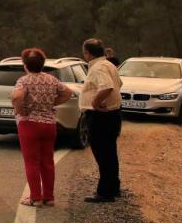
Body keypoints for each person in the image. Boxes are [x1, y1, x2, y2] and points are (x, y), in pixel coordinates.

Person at [11, 48, 72, 206]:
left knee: (32, 162)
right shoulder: (51, 79)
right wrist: (52, 103)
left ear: (25, 65)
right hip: (49, 124)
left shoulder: (24, 80)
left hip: (29, 124)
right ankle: (49, 197)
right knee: (47, 161)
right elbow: (68, 93)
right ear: (42, 63)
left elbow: (17, 96)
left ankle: (35, 197)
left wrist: (21, 110)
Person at [79, 38, 123, 203]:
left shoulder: (98, 68)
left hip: (100, 116)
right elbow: (119, 83)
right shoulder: (109, 65)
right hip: (112, 114)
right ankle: (113, 187)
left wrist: (95, 102)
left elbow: (107, 86)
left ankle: (105, 192)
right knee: (110, 153)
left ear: (87, 53)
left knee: (103, 154)